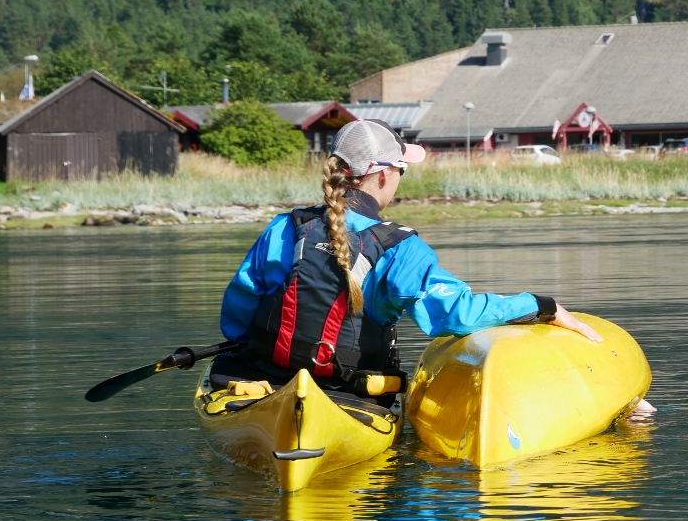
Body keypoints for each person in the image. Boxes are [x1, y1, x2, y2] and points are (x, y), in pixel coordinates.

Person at [211, 119, 602, 401]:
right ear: (382, 176)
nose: (400, 178)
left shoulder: (284, 227)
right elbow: (458, 315)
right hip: (349, 394)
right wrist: (540, 306)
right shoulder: (402, 248)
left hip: (262, 380)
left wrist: (248, 347)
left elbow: (238, 309)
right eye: (401, 169)